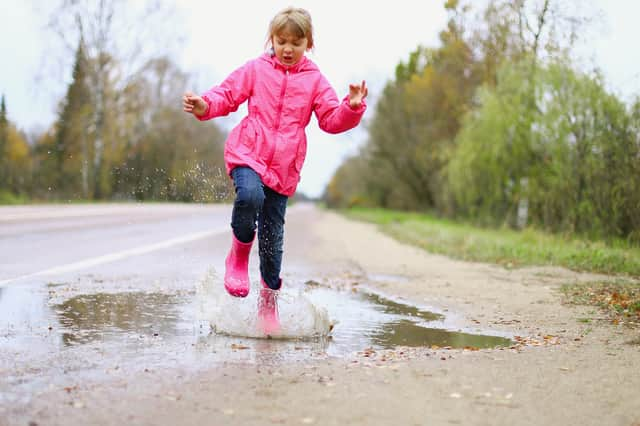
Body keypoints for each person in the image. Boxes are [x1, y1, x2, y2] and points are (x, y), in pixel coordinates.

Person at [182, 7, 367, 334]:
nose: (287, 48)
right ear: (272, 39)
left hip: (283, 167)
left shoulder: (314, 80)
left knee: (272, 240)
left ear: (308, 43)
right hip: (248, 151)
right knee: (249, 196)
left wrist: (351, 108)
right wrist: (205, 105)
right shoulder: (256, 69)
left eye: (296, 42)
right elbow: (227, 94)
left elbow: (330, 120)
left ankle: (268, 306)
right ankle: (237, 258)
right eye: (282, 41)